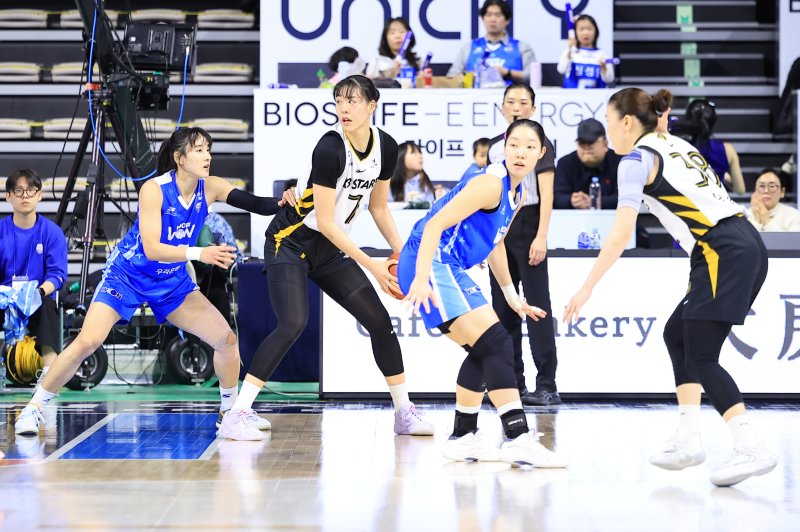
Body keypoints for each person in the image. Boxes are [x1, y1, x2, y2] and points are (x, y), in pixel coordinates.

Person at [14, 127, 295, 436]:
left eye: (208, 149)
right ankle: (33, 408)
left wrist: (284, 200)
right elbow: (152, 249)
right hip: (128, 276)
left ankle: (229, 413)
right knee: (88, 341)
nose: (207, 156)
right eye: (199, 150)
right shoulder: (154, 189)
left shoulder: (211, 186)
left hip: (170, 280)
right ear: (179, 158)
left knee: (226, 340)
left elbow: (256, 203)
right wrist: (200, 252)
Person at [564, 88, 778, 487]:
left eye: (609, 122)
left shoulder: (635, 161)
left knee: (701, 357)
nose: (608, 132)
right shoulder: (672, 142)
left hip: (720, 249)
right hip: (740, 240)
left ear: (628, 122)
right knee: (676, 335)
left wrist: (586, 287)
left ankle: (750, 445)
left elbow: (621, 232)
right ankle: (688, 438)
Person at [222, 75, 434, 440]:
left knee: (379, 322)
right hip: (290, 242)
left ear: (372, 105)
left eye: (352, 101)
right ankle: (237, 413)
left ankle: (404, 412)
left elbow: (379, 207)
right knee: (293, 322)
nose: (344, 108)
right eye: (338, 101)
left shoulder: (386, 146)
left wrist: (401, 254)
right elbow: (325, 223)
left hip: (329, 250)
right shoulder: (330, 148)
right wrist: (373, 266)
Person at [399, 119, 567, 467]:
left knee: (485, 348)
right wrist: (421, 278)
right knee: (496, 343)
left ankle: (463, 437)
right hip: (431, 261)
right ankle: (517, 437)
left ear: (542, 153)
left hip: (447, 266)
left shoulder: (518, 194)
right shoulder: (491, 183)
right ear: (503, 147)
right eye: (514, 144)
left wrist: (511, 295)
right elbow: (434, 224)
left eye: (529, 147)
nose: (520, 152)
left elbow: (496, 243)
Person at [487, 82, 559, 406]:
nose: (516, 107)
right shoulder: (494, 147)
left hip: (530, 225)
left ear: (533, 107)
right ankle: (512, 384)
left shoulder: (541, 145)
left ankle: (547, 385)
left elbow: (547, 193)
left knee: (538, 307)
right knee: (504, 309)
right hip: (502, 226)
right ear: (503, 107)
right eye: (510, 101)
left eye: (523, 102)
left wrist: (541, 235)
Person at [0, 168, 67, 384]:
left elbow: (57, 275)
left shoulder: (52, 232)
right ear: (8, 196)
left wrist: (36, 293)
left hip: (37, 299)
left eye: (30, 191)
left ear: (39, 195)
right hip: (4, 299)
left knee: (46, 306)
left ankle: (49, 376)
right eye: (18, 191)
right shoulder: (1, 230)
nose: (25, 196)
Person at [446, 0, 535, 85]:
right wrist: (469, 77)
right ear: (483, 18)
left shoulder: (522, 47)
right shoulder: (468, 48)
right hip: (475, 94)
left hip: (511, 94)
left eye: (498, 15)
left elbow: (533, 76)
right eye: (488, 15)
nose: (492, 19)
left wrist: (507, 73)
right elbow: (451, 76)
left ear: (507, 20)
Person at [670, 100, 746, 194]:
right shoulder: (728, 149)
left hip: (685, 201)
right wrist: (721, 177)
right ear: (713, 121)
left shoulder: (678, 147)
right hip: (715, 201)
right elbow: (740, 190)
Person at [554, 118, 621, 209]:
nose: (586, 147)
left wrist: (595, 202)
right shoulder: (565, 163)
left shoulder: (620, 162)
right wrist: (571, 200)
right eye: (582, 143)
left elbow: (627, 198)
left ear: (605, 144)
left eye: (591, 142)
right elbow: (557, 197)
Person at [556, 14, 614, 89]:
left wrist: (603, 67)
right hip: (572, 95)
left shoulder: (602, 54)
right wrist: (570, 49)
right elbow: (561, 69)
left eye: (589, 29)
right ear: (575, 32)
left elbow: (609, 79)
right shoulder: (571, 52)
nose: (585, 33)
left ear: (596, 31)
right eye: (581, 29)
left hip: (596, 95)